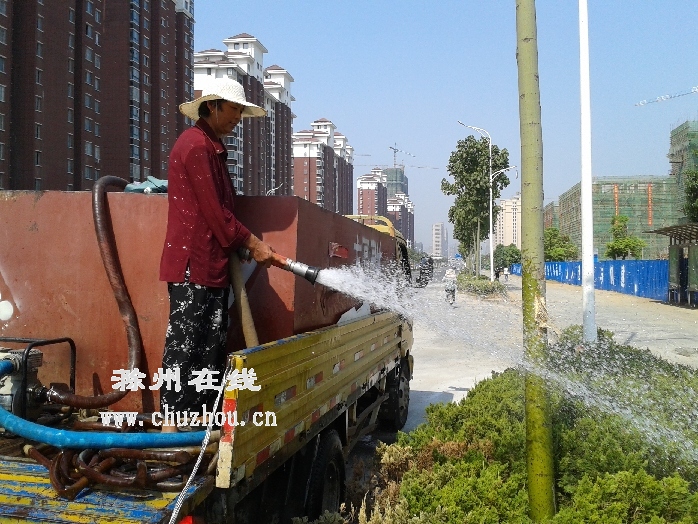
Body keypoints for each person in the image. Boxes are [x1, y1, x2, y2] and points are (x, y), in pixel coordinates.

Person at [158, 77, 276, 432]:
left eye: (241, 110)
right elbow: (216, 213)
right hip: (192, 264)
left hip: (212, 264)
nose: (238, 117)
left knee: (210, 347)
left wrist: (238, 244)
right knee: (186, 347)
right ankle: (171, 427)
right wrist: (252, 243)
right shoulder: (196, 146)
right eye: (234, 109)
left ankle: (198, 426)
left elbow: (222, 213)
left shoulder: (213, 149)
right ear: (212, 106)